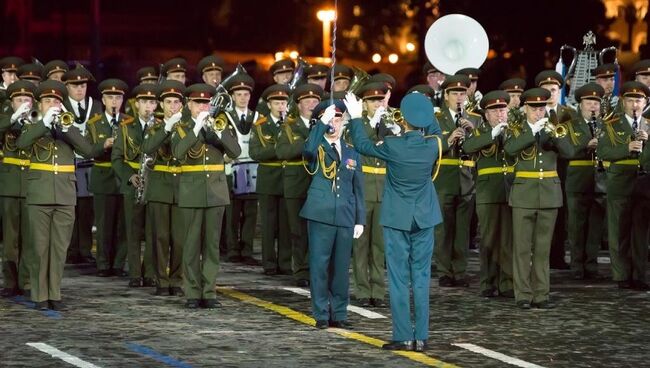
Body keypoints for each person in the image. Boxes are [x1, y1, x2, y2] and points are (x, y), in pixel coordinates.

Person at [345, 91, 442, 352]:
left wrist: (356, 117)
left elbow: (363, 146)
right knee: (421, 277)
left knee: (399, 278)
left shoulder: (393, 145)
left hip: (397, 217)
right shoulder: (433, 144)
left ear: (406, 121)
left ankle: (403, 336)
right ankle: (421, 337)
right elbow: (434, 127)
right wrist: (423, 106)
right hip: (424, 217)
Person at [16, 80, 94, 311]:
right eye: (48, 101)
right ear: (39, 104)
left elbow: (88, 149)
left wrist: (65, 127)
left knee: (59, 248)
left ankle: (55, 293)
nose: (53, 104)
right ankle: (40, 295)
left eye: (57, 101)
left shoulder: (67, 127)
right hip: (39, 194)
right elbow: (22, 144)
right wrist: (44, 124)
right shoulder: (30, 125)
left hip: (65, 194)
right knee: (39, 248)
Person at [171, 83, 241, 308]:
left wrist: (219, 132)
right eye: (198, 102)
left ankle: (209, 291)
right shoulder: (181, 127)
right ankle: (192, 292)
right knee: (190, 245)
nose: (202, 106)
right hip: (191, 192)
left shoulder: (220, 124)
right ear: (189, 105)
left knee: (211, 246)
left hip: (216, 192)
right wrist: (195, 130)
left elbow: (236, 152)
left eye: (206, 103)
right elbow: (178, 153)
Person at [504, 87, 573, 309]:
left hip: (549, 195)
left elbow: (570, 152)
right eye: (534, 109)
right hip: (524, 193)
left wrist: (552, 135)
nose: (539, 112)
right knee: (522, 248)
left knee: (543, 248)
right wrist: (532, 131)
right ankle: (523, 294)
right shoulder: (516, 129)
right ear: (525, 108)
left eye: (542, 108)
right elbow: (510, 149)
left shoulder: (552, 128)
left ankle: (541, 294)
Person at [300, 99, 365, 330]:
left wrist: (360, 219)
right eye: (331, 119)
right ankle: (320, 313)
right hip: (321, 214)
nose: (334, 124)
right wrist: (320, 124)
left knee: (340, 270)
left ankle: (339, 313)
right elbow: (307, 151)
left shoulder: (351, 151)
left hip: (345, 215)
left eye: (338, 119)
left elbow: (358, 187)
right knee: (319, 266)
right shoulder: (316, 146)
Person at [597, 81, 650, 291]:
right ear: (623, 102)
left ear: (645, 102)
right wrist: (626, 147)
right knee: (618, 231)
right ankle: (621, 275)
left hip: (644, 184)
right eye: (630, 100)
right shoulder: (611, 124)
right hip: (620, 182)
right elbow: (603, 152)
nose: (634, 104)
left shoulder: (648, 125)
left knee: (640, 233)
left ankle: (639, 274)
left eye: (638, 100)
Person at [462, 90, 515, 298]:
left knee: (508, 240)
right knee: (489, 239)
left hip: (510, 189)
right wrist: (492, 135)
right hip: (488, 191)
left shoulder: (514, 131)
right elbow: (468, 146)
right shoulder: (478, 133)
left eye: (502, 110)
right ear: (486, 115)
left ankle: (507, 282)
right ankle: (487, 282)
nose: (500, 115)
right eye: (494, 111)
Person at [433, 74, 481, 287]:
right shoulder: (435, 118)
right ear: (446, 95)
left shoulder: (475, 119)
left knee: (462, 230)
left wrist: (471, 133)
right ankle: (444, 270)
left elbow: (481, 148)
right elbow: (430, 147)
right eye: (455, 93)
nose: (459, 97)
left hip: (466, 180)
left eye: (462, 93)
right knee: (443, 229)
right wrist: (448, 138)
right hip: (443, 179)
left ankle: (460, 270)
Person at [276, 83, 323, 287]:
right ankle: (301, 271)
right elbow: (282, 152)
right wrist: (308, 143)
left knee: (318, 229)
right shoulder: (289, 126)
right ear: (299, 105)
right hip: (296, 183)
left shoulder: (326, 125)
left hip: (319, 184)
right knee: (298, 230)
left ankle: (316, 269)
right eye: (307, 101)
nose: (311, 104)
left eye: (315, 101)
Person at [141, 80, 186, 296]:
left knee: (179, 239)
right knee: (160, 237)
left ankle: (177, 280)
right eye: (168, 102)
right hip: (160, 186)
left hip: (181, 187)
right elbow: (148, 148)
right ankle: (161, 280)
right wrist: (167, 127)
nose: (173, 106)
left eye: (177, 102)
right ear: (161, 105)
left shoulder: (188, 128)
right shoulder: (155, 127)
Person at [111, 81, 156, 288]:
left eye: (152, 102)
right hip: (133, 185)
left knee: (153, 232)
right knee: (133, 231)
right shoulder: (125, 127)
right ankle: (135, 274)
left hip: (155, 184)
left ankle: (150, 273)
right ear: (136, 104)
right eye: (144, 102)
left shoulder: (160, 126)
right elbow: (117, 158)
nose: (149, 107)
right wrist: (129, 176)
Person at [561, 83, 607, 280]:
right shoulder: (570, 126)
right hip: (578, 181)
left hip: (599, 181)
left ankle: (592, 265)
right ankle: (577, 266)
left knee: (595, 227)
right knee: (577, 227)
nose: (593, 106)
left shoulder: (606, 126)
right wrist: (585, 145)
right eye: (589, 102)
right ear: (580, 105)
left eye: (596, 102)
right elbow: (567, 150)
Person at [86, 79, 129, 277]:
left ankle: (119, 263)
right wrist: (104, 145)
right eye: (110, 97)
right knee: (103, 225)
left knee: (123, 224)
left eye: (118, 97)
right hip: (103, 177)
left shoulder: (129, 122)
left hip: (124, 179)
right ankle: (103, 264)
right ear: (103, 100)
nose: (114, 101)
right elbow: (87, 150)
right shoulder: (94, 124)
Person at [249, 84, 292, 276]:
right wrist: (279, 150)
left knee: (286, 224)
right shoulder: (260, 126)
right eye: (276, 102)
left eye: (283, 102)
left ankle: (284, 262)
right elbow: (255, 152)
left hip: (288, 179)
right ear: (269, 104)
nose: (281, 106)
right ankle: (269, 263)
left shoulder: (292, 124)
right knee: (268, 224)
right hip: (268, 178)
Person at [62, 65, 103, 265]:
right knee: (71, 207)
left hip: (89, 162)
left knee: (87, 208)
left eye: (83, 85)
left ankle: (85, 250)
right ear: (67, 86)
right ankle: (71, 249)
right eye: (75, 85)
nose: (80, 89)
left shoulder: (94, 105)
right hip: (69, 162)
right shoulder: (61, 106)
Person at [0, 80, 36, 297]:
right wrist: (13, 120)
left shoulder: (37, 122)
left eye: (27, 100)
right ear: (11, 103)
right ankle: (10, 281)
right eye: (19, 100)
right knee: (10, 239)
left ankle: (26, 281)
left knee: (29, 239)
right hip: (10, 186)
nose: (23, 103)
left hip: (32, 185)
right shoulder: (5, 122)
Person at [222, 73, 260, 265]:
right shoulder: (225, 117)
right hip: (231, 169)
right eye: (239, 94)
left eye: (246, 94)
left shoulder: (257, 117)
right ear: (233, 96)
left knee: (251, 213)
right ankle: (232, 249)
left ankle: (247, 250)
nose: (243, 98)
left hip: (252, 170)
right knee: (232, 213)